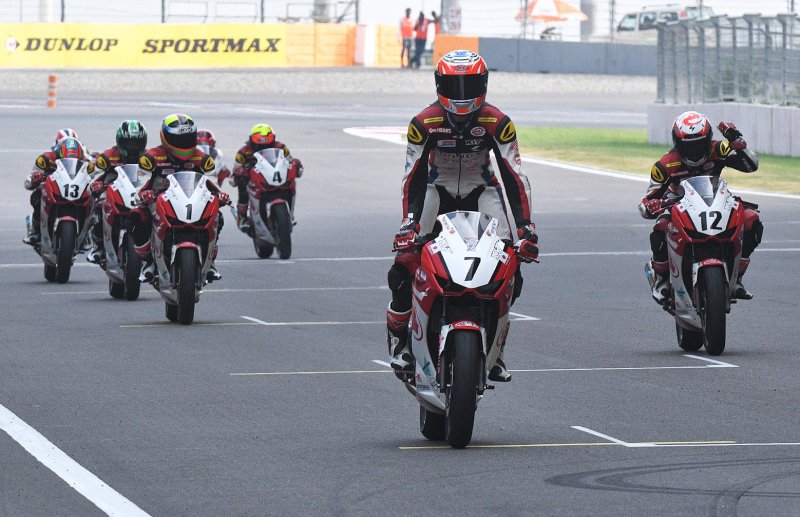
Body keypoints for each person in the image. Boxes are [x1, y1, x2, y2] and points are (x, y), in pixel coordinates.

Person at [386, 49, 539, 382]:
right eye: (454, 86)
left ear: (483, 83)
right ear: (439, 84)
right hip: (433, 188)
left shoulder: (498, 121)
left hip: (481, 189)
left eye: (469, 84)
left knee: (510, 263)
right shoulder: (422, 122)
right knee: (404, 264)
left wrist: (526, 229)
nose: (461, 95)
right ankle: (400, 341)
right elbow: (411, 176)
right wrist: (409, 223)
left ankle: (494, 351)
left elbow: (514, 176)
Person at [638, 110, 762, 303]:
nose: (695, 151)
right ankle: (661, 279)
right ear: (677, 144)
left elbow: (751, 166)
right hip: (678, 202)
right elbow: (646, 201)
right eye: (689, 146)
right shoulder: (665, 165)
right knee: (661, 225)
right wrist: (651, 206)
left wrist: (737, 141)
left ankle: (737, 277)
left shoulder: (718, 149)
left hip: (714, 197)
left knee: (750, 218)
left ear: (708, 139)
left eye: (699, 144)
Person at [130, 113, 229, 283]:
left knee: (218, 215)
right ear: (166, 137)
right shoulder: (151, 157)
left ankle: (209, 260)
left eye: (188, 138)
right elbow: (140, 181)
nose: (184, 143)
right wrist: (142, 194)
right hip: (158, 200)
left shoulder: (203, 159)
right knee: (136, 215)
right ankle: (148, 261)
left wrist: (221, 195)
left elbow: (213, 182)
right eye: (179, 139)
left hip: (193, 200)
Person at [86, 120, 148, 265]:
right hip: (113, 190)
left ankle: (150, 249)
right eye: (129, 144)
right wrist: (96, 184)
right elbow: (94, 174)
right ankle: (99, 246)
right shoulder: (107, 157)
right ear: (120, 142)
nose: (133, 148)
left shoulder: (148, 158)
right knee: (99, 205)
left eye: (136, 143)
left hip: (138, 192)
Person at [231, 124, 303, 234]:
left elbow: (290, 160)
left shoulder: (281, 147)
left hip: (273, 173)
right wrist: (240, 172)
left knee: (290, 183)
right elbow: (236, 169)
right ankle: (243, 217)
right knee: (242, 186)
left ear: (272, 141)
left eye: (267, 145)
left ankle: (290, 214)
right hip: (254, 177)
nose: (263, 148)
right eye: (259, 146)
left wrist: (296, 164)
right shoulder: (243, 152)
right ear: (252, 142)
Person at [24, 130, 91, 245]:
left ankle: (86, 233)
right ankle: (36, 229)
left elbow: (95, 175)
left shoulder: (86, 162)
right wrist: (35, 179)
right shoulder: (45, 159)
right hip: (52, 188)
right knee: (38, 194)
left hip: (73, 188)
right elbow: (28, 180)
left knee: (91, 198)